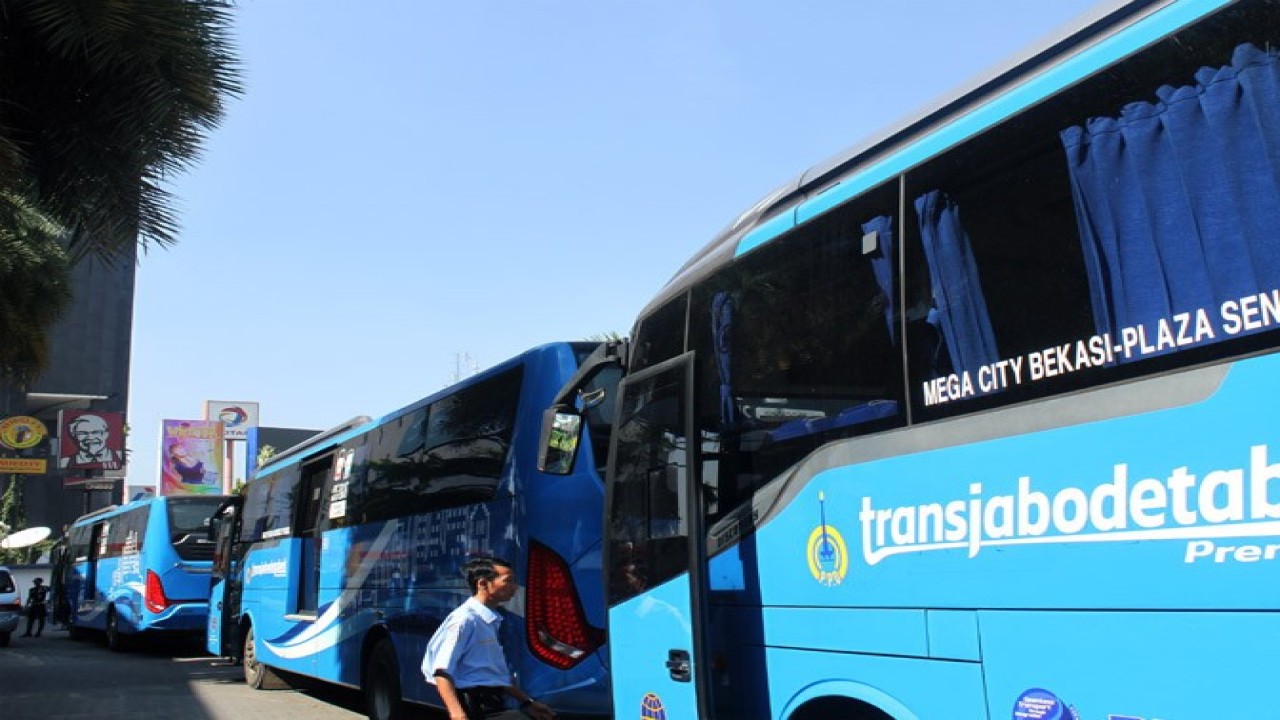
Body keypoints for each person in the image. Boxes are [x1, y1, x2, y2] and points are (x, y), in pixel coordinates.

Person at [421, 558, 555, 720]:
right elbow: (441, 672)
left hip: (492, 701)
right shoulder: (465, 620)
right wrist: (458, 714)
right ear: (483, 584)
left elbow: (493, 674)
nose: (514, 587)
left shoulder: (490, 620)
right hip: (473, 703)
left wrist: (527, 702)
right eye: (508, 581)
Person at [59, 414, 125, 470]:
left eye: (96, 432)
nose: (90, 438)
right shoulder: (64, 462)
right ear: (74, 436)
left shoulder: (120, 456)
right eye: (83, 433)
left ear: (106, 434)